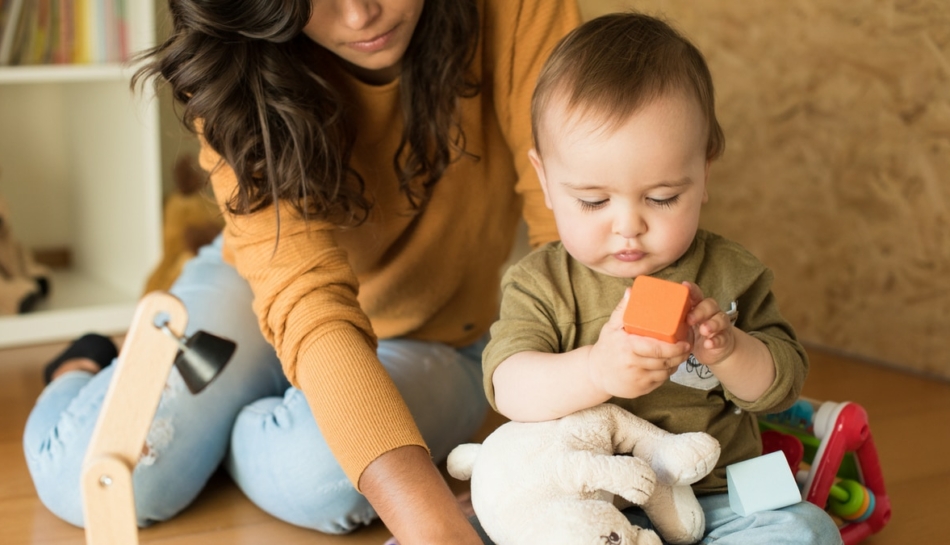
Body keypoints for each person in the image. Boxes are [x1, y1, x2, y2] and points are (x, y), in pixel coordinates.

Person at [23, 1, 581, 543]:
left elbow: (569, 235)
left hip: (436, 331)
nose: (361, 15)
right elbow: (304, 296)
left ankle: (226, 418)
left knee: (318, 478)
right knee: (94, 478)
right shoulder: (229, 53)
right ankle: (83, 363)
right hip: (263, 284)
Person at [482, 12, 843, 544]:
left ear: (704, 174)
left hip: (720, 496)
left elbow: (781, 384)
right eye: (593, 200)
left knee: (807, 532)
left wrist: (731, 350)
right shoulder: (541, 283)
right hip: (589, 503)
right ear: (545, 179)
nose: (629, 225)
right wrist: (597, 371)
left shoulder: (730, 272)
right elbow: (508, 386)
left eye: (662, 197)